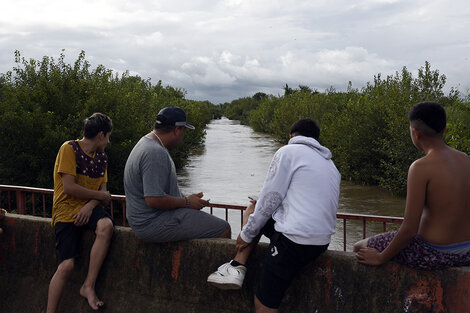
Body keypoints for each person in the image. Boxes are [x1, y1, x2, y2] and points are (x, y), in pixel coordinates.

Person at [207, 118, 341, 313]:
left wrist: (245, 234)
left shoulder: (288, 152)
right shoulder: (330, 165)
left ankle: (236, 267)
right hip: (321, 242)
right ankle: (236, 265)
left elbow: (270, 198)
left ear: (292, 136)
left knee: (264, 304)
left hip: (294, 240)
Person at [354, 101, 470, 270]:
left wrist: (380, 257)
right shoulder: (465, 159)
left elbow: (409, 230)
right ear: (444, 129)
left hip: (435, 253)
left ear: (416, 134)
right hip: (466, 251)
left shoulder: (420, 167)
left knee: (360, 247)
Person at [124, 106, 231, 242]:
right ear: (177, 130)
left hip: (144, 220)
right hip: (151, 223)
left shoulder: (148, 143)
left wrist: (189, 200)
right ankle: (220, 264)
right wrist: (187, 202)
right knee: (222, 228)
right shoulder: (155, 152)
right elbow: (153, 199)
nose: (183, 136)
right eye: (184, 130)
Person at [47, 113, 114, 313]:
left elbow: (102, 191)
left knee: (106, 226)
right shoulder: (68, 148)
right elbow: (69, 187)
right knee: (66, 266)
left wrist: (90, 206)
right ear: (101, 135)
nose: (109, 141)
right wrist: (97, 199)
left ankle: (88, 286)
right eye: (108, 136)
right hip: (66, 210)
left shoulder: (102, 157)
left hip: (88, 208)